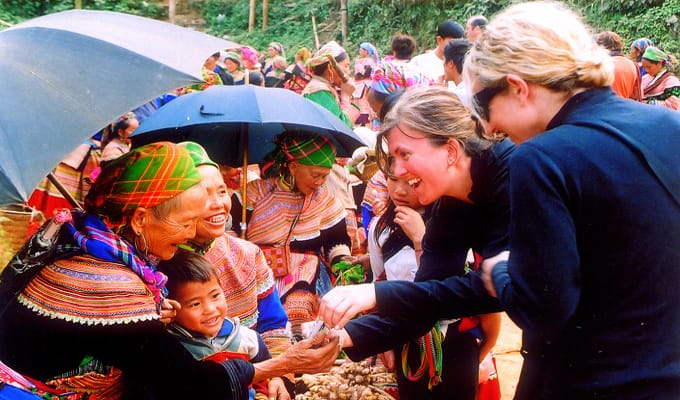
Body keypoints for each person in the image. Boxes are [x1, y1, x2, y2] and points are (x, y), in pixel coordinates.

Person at [321, 2, 680, 399]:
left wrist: (503, 273)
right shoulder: (668, 124)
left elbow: (542, 305)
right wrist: (348, 336)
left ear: (518, 88)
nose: (489, 126)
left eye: (485, 105)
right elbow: (432, 292)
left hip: (588, 379)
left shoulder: (540, 159)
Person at [0, 142, 341, 399]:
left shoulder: (79, 235)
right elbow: (186, 385)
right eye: (186, 223)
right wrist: (284, 364)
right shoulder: (108, 283)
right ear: (140, 218)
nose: (192, 234)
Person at [333, 86, 512, 399]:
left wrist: (376, 293)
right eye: (392, 159)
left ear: (451, 151)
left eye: (405, 155)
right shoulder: (452, 204)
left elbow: (500, 287)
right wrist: (342, 338)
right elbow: (428, 299)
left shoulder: (515, 177)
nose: (398, 172)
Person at [178, 142, 296, 396]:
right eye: (202, 195)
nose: (218, 203)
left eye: (222, 191)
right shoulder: (156, 267)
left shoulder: (247, 255)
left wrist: (278, 375)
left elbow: (274, 326)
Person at [237, 132, 352, 341]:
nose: (320, 182)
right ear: (292, 167)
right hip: (258, 271)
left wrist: (344, 264)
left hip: (307, 274)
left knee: (298, 306)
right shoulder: (256, 193)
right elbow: (231, 233)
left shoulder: (326, 201)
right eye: (315, 175)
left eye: (325, 177)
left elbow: (337, 242)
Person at [157, 250, 287, 400]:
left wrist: (262, 395)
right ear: (172, 308)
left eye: (215, 296)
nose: (210, 309)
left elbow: (264, 374)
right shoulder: (174, 350)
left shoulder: (247, 339)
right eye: (195, 304)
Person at [302, 41, 359, 128]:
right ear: (330, 68)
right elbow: (341, 127)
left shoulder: (325, 87)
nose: (349, 72)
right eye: (346, 66)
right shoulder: (318, 90)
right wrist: (345, 97)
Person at [596, 31, 641, 101]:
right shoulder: (633, 65)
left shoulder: (600, 65)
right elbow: (636, 96)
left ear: (601, 47)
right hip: (624, 108)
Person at [443, 39, 473, 104]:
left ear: (451, 63)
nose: (443, 64)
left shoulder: (457, 97)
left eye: (444, 60)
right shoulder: (473, 88)